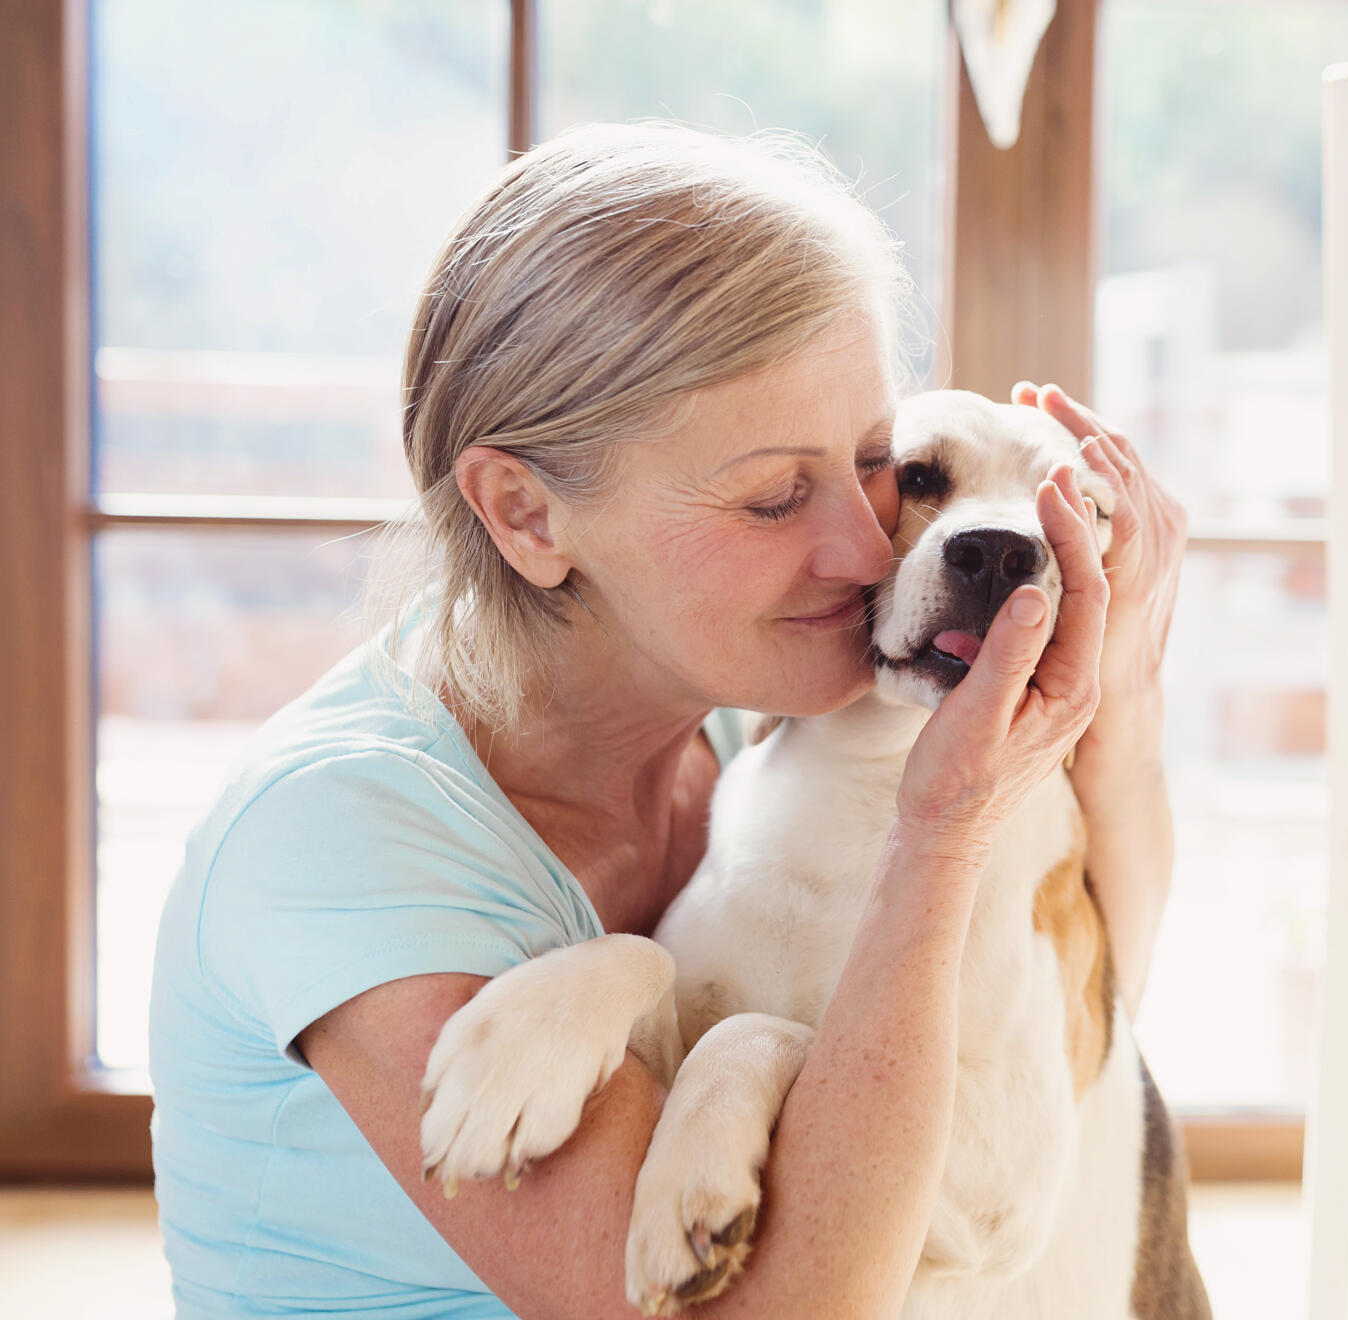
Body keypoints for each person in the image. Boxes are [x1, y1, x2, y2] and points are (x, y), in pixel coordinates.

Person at [148, 120, 1188, 1319]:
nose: (865, 545)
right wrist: (941, 830)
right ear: (528, 516)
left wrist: (1127, 681)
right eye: (774, 496)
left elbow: (1101, 995)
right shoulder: (337, 841)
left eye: (870, 467)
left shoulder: (757, 723)